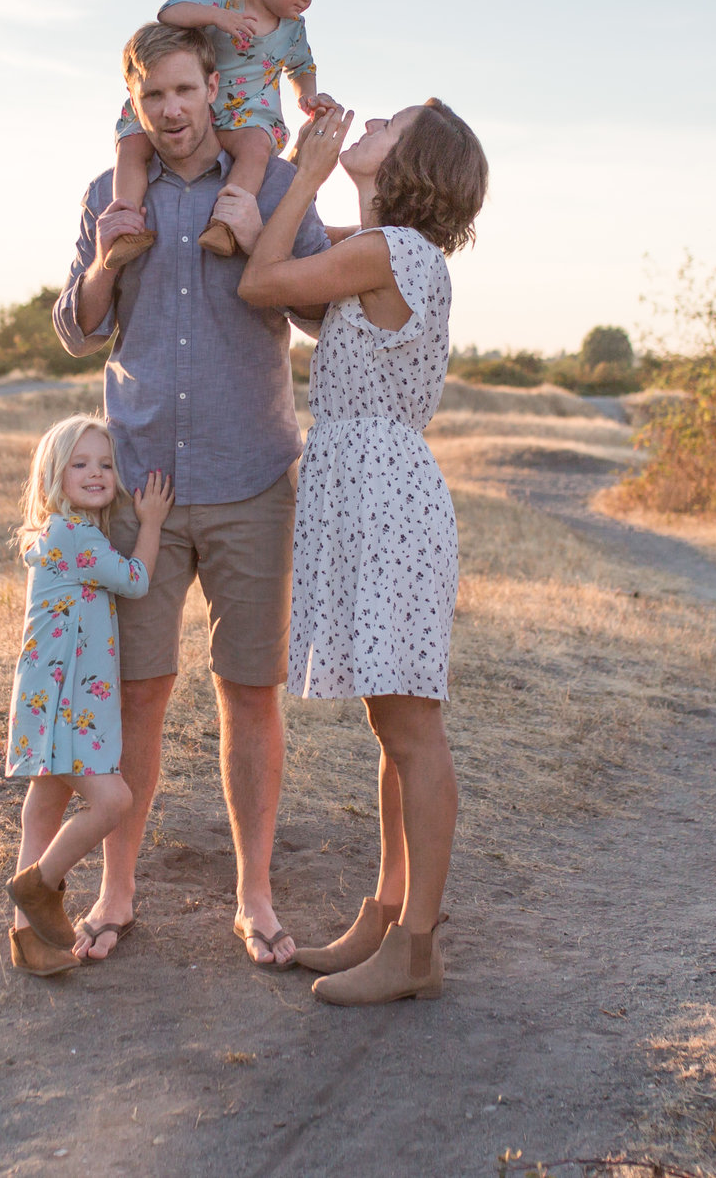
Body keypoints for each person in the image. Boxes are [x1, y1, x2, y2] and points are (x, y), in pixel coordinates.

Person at [53, 21, 331, 968]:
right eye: (151, 98)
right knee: (137, 695)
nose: (170, 112)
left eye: (184, 90)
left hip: (252, 474)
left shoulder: (273, 183)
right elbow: (76, 329)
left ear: (216, 87)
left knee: (249, 692)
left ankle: (254, 893)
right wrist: (106, 262)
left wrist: (269, 241)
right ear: (133, 105)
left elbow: (320, 307)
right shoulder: (108, 194)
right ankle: (116, 888)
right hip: (140, 486)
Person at [217, 97, 490, 1005]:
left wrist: (306, 172)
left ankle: (417, 948)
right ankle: (385, 915)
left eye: (392, 122)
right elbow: (300, 283)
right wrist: (305, 178)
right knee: (391, 720)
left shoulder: (388, 251)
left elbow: (262, 283)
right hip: (371, 494)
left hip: (386, 500)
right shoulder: (380, 253)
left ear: (413, 161)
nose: (370, 121)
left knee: (413, 725)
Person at [1, 415, 173, 977]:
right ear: (53, 474)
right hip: (64, 704)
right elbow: (136, 579)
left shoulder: (64, 533)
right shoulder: (73, 536)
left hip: (53, 698)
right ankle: (42, 885)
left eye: (104, 464)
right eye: (80, 464)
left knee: (45, 806)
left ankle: (29, 941)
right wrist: (150, 522)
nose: (96, 473)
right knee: (113, 800)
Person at [103, 0, 340, 267]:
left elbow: (302, 66)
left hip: (246, 110)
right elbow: (169, 11)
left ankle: (226, 224)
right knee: (132, 144)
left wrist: (307, 95)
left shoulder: (293, 29)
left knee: (256, 149)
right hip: (193, 105)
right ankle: (127, 226)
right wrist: (214, 17)